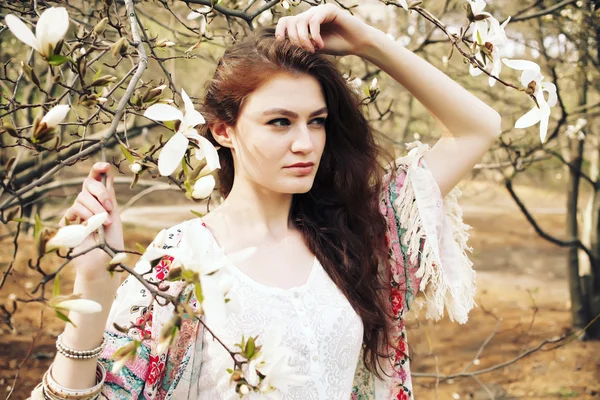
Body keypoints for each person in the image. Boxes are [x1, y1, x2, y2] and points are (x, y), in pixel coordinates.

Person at [33, 3, 500, 399]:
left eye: (316, 121)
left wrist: (370, 43)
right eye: (280, 122)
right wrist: (92, 288)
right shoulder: (181, 260)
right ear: (223, 130)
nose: (305, 143)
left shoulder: (356, 237)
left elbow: (477, 128)